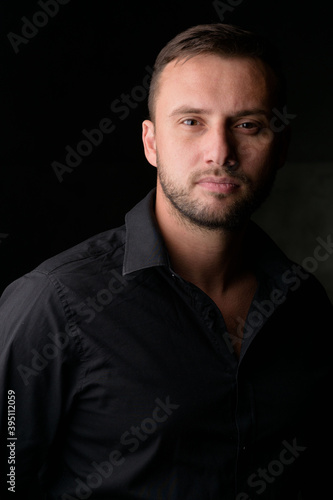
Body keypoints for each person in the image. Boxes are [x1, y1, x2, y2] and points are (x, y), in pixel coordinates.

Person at [0, 23, 332, 500]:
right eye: (192, 121)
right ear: (151, 143)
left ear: (281, 147)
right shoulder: (52, 303)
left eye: (247, 125)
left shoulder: (306, 307)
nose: (220, 152)